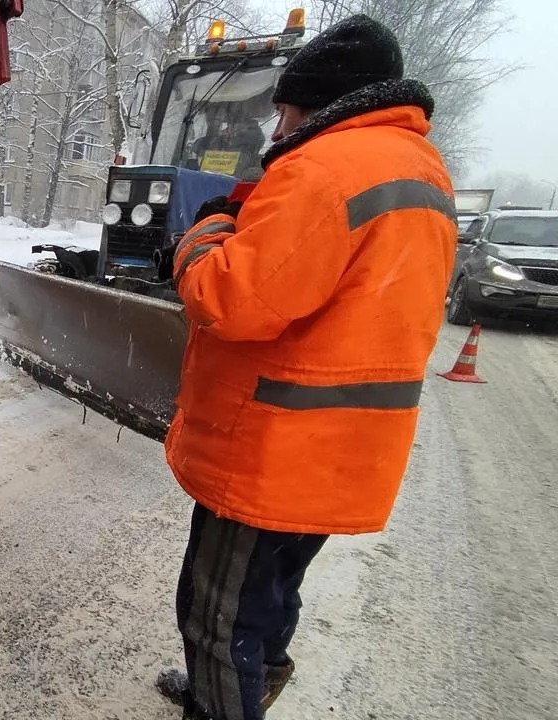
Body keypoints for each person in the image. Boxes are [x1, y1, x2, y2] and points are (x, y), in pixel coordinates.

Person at [156, 15, 457, 720]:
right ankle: (250, 682)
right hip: (340, 446)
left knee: (216, 619)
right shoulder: (420, 170)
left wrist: (203, 232)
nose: (275, 129)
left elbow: (231, 301)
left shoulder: (322, 169)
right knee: (272, 593)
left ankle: (224, 697)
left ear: (317, 103)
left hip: (273, 449)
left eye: (283, 110)